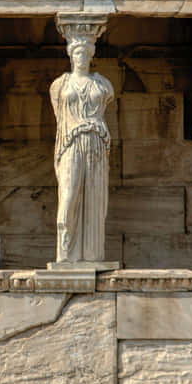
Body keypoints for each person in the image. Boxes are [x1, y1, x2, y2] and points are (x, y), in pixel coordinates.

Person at [50, 36, 114, 263]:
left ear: (91, 56)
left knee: (95, 198)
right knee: (69, 196)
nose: (82, 57)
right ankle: (66, 254)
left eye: (86, 53)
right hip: (71, 142)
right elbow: (59, 117)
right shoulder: (59, 85)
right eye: (78, 53)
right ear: (71, 55)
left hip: (96, 141)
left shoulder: (102, 84)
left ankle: (92, 255)